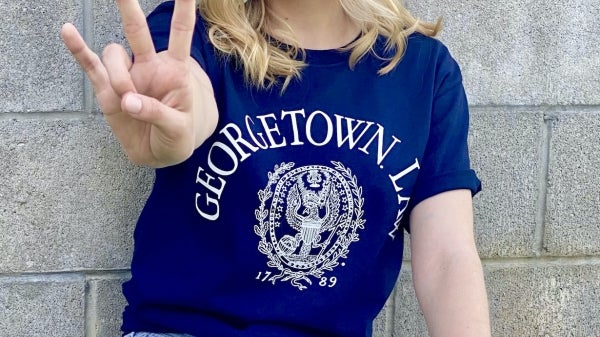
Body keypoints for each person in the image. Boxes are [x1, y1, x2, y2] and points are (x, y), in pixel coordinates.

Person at [61, 0, 491, 336]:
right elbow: (188, 98)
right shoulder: (189, 32)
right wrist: (176, 124)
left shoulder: (423, 70)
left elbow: (448, 258)